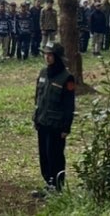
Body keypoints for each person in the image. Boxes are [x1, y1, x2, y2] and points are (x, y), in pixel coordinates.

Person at [33, 42, 75, 194]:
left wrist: (66, 127)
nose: (47, 57)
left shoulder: (66, 77)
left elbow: (69, 105)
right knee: (44, 154)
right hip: (43, 121)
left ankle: (57, 186)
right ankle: (48, 183)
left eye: (50, 55)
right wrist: (36, 117)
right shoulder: (43, 73)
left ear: (57, 57)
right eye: (45, 54)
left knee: (55, 155)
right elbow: (38, 97)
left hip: (56, 125)